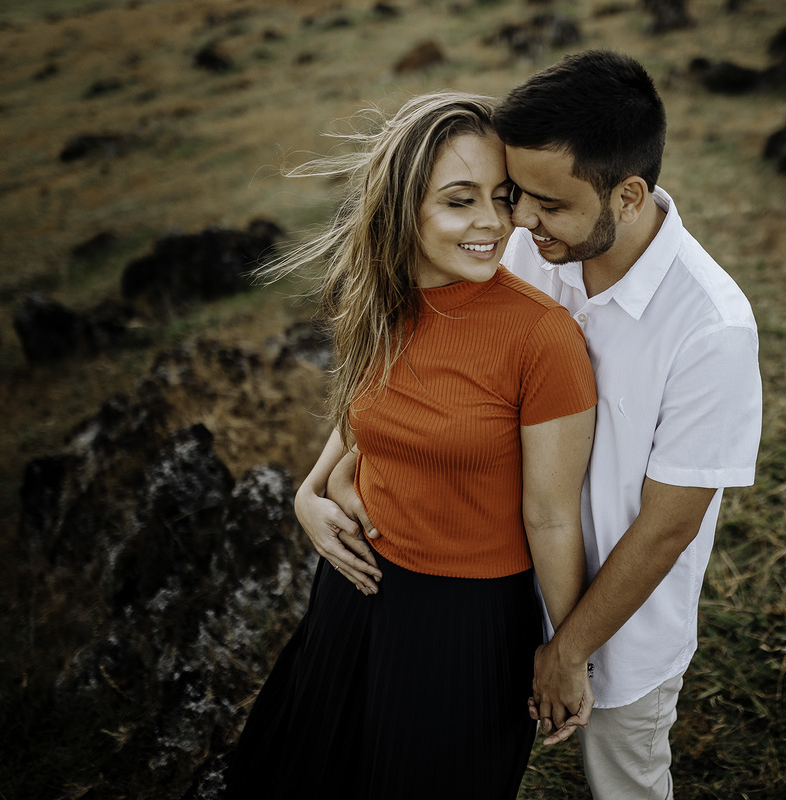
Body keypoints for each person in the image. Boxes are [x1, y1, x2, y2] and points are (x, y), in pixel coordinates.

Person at [323, 50, 763, 798]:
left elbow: (666, 527)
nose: (519, 220)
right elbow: (421, 357)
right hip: (495, 592)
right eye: (517, 195)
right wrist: (319, 480)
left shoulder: (710, 328)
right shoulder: (527, 241)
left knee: (622, 781)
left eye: (547, 204)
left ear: (627, 196)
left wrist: (569, 649)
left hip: (620, 628)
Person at [222, 91, 597, 799]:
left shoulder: (542, 338)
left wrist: (566, 653)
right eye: (461, 200)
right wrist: (310, 493)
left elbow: (551, 516)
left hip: (467, 625)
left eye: (502, 195)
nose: (492, 222)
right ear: (405, 209)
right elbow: (366, 413)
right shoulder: (374, 299)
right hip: (353, 593)